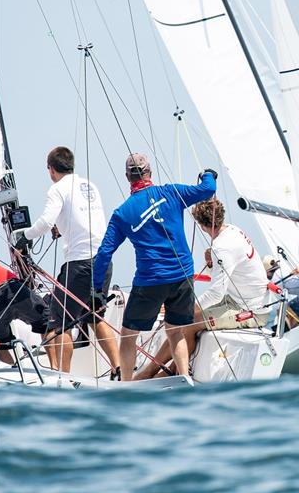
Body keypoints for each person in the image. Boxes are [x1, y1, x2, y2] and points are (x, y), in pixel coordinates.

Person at [92, 153, 216, 381]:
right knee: (176, 331)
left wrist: (96, 289)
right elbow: (208, 189)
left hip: (151, 281)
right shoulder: (171, 192)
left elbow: (104, 254)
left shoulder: (122, 213)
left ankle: (126, 387)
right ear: (150, 172)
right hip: (183, 275)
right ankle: (183, 380)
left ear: (127, 177)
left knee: (129, 336)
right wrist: (208, 174)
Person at [135, 198, 271, 379]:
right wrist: (211, 263)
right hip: (236, 300)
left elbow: (216, 293)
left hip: (250, 310)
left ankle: (158, 373)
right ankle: (158, 371)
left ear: (200, 224)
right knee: (184, 321)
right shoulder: (231, 230)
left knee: (187, 323)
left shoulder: (222, 248)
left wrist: (183, 309)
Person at [18, 147, 119, 374]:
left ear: (51, 170)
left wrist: (24, 237)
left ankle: (63, 378)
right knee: (94, 316)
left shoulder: (57, 189)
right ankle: (119, 368)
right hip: (103, 260)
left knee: (59, 321)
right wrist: (62, 229)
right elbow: (83, 220)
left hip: (80, 263)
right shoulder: (89, 185)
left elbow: (45, 222)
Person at [0, 266, 50, 365]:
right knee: (48, 324)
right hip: (11, 286)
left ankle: (12, 376)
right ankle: (58, 371)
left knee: (0, 344)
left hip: (1, 296)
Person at [263, 254, 299, 328]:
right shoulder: (283, 269)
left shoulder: (275, 278)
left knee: (284, 310)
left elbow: (281, 297)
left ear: (266, 271)